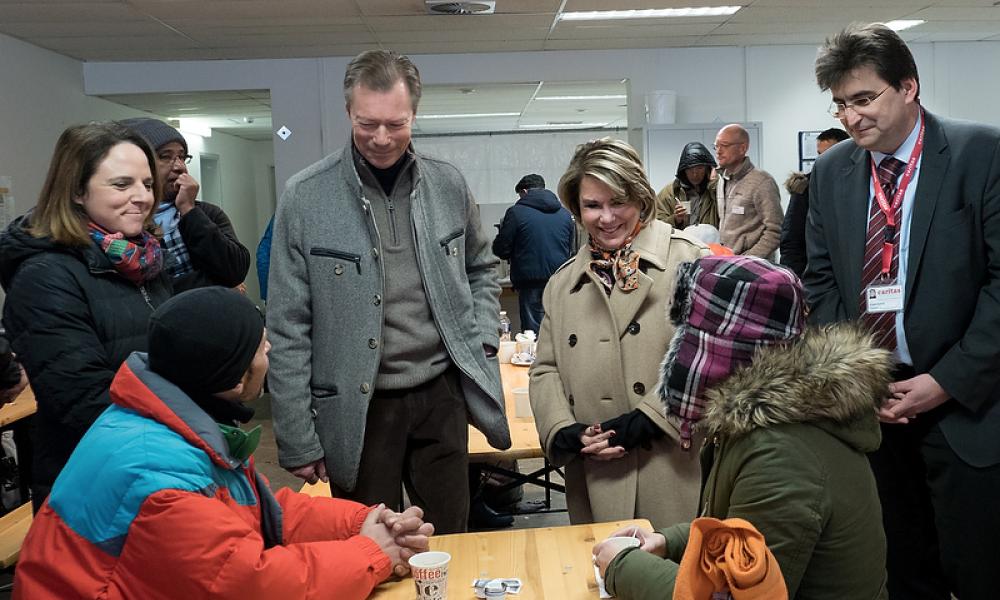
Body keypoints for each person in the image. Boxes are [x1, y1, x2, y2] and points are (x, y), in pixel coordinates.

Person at [13, 287, 433, 599]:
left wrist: (364, 522)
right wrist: (371, 553)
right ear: (234, 378)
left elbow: (260, 511)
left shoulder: (171, 422)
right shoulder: (161, 483)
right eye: (260, 344)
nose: (269, 348)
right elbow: (255, 585)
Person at [268, 49, 510, 535]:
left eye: (396, 124)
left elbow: (482, 268)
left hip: (441, 395)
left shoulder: (447, 184)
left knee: (449, 537)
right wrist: (297, 436)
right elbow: (287, 325)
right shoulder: (305, 196)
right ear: (348, 113)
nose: (381, 138)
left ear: (415, 115)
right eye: (367, 123)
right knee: (369, 544)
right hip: (359, 407)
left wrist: (481, 337)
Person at [806, 22, 1000, 600]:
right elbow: (820, 285)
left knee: (978, 571)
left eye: (865, 99)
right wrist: (858, 380)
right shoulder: (832, 171)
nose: (851, 117)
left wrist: (945, 381)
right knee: (898, 570)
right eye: (841, 104)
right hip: (874, 408)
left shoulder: (981, 154)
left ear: (909, 86)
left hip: (966, 404)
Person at [595, 255, 890, 600]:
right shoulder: (772, 418)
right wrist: (668, 541)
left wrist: (622, 565)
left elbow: (734, 594)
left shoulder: (780, 454)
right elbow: (741, 534)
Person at [529, 138, 708, 528]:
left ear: (641, 198)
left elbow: (713, 357)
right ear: (577, 209)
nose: (606, 218)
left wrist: (647, 420)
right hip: (594, 470)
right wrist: (565, 432)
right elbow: (545, 370)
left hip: (673, 462)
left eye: (618, 202)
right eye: (592, 205)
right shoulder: (562, 285)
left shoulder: (692, 262)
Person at [0, 122, 173, 511]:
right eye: (121, 184)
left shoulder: (143, 260)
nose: (141, 197)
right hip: (95, 483)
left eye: (147, 184)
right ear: (77, 190)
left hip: (157, 465)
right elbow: (82, 400)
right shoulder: (45, 275)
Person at [120, 117, 250, 292]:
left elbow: (235, 270)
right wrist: (217, 284)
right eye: (165, 157)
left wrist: (189, 210)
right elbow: (154, 290)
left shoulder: (207, 213)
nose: (180, 167)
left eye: (182, 157)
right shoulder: (127, 219)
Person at [491, 173, 575, 334]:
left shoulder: (516, 212)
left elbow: (501, 249)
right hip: (560, 280)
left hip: (530, 281)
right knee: (558, 330)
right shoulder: (564, 214)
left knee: (533, 333)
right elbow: (570, 248)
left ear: (525, 191)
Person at [779, 127, 848, 276]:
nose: (822, 160)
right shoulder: (805, 187)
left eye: (828, 154)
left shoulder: (858, 184)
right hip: (813, 274)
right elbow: (791, 238)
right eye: (819, 155)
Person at [714, 124, 783, 258]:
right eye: (716, 146)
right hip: (728, 264)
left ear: (742, 148)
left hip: (753, 269)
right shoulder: (722, 180)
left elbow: (776, 231)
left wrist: (749, 259)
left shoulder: (762, 182)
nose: (718, 151)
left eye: (725, 145)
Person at [654, 141, 719, 229]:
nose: (695, 174)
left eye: (699, 168)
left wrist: (714, 183)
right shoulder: (671, 191)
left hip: (710, 241)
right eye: (690, 169)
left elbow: (728, 215)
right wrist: (675, 219)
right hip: (682, 241)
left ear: (708, 168)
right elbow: (656, 224)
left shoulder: (718, 189)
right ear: (683, 170)